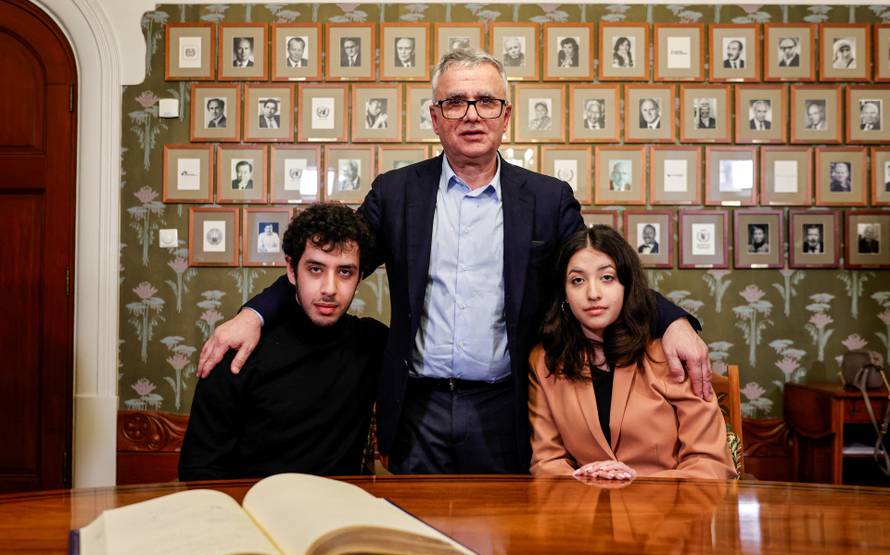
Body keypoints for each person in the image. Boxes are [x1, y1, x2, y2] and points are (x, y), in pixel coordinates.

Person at [197, 48, 711, 475]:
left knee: (507, 546)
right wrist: (255, 314)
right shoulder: (396, 193)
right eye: (455, 102)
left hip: (507, 406)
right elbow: (331, 259)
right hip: (416, 408)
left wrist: (673, 322)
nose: (471, 114)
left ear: (505, 116)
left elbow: (596, 272)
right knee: (421, 542)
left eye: (486, 101)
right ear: (435, 118)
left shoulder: (547, 199)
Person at [179, 204, 386, 480]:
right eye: (315, 269)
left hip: (340, 504)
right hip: (251, 504)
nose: (329, 288)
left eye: (345, 272)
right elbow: (199, 469)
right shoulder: (239, 350)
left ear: (359, 278)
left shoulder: (372, 344)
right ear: (291, 270)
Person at [527, 226, 736, 480]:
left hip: (667, 503)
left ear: (627, 285)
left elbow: (712, 466)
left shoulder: (669, 355)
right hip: (582, 503)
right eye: (577, 280)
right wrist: (586, 482)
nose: (593, 293)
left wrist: (635, 483)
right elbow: (547, 463)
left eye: (607, 277)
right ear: (565, 294)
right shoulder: (546, 361)